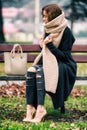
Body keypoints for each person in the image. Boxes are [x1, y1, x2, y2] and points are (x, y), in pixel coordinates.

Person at [23, 4, 77, 123]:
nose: (44, 19)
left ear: (53, 17)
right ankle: (30, 109)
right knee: (31, 70)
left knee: (40, 71)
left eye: (45, 16)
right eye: (43, 16)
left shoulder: (66, 32)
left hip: (65, 66)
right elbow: (46, 52)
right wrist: (43, 45)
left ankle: (41, 109)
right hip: (50, 63)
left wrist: (49, 45)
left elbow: (64, 56)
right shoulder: (48, 28)